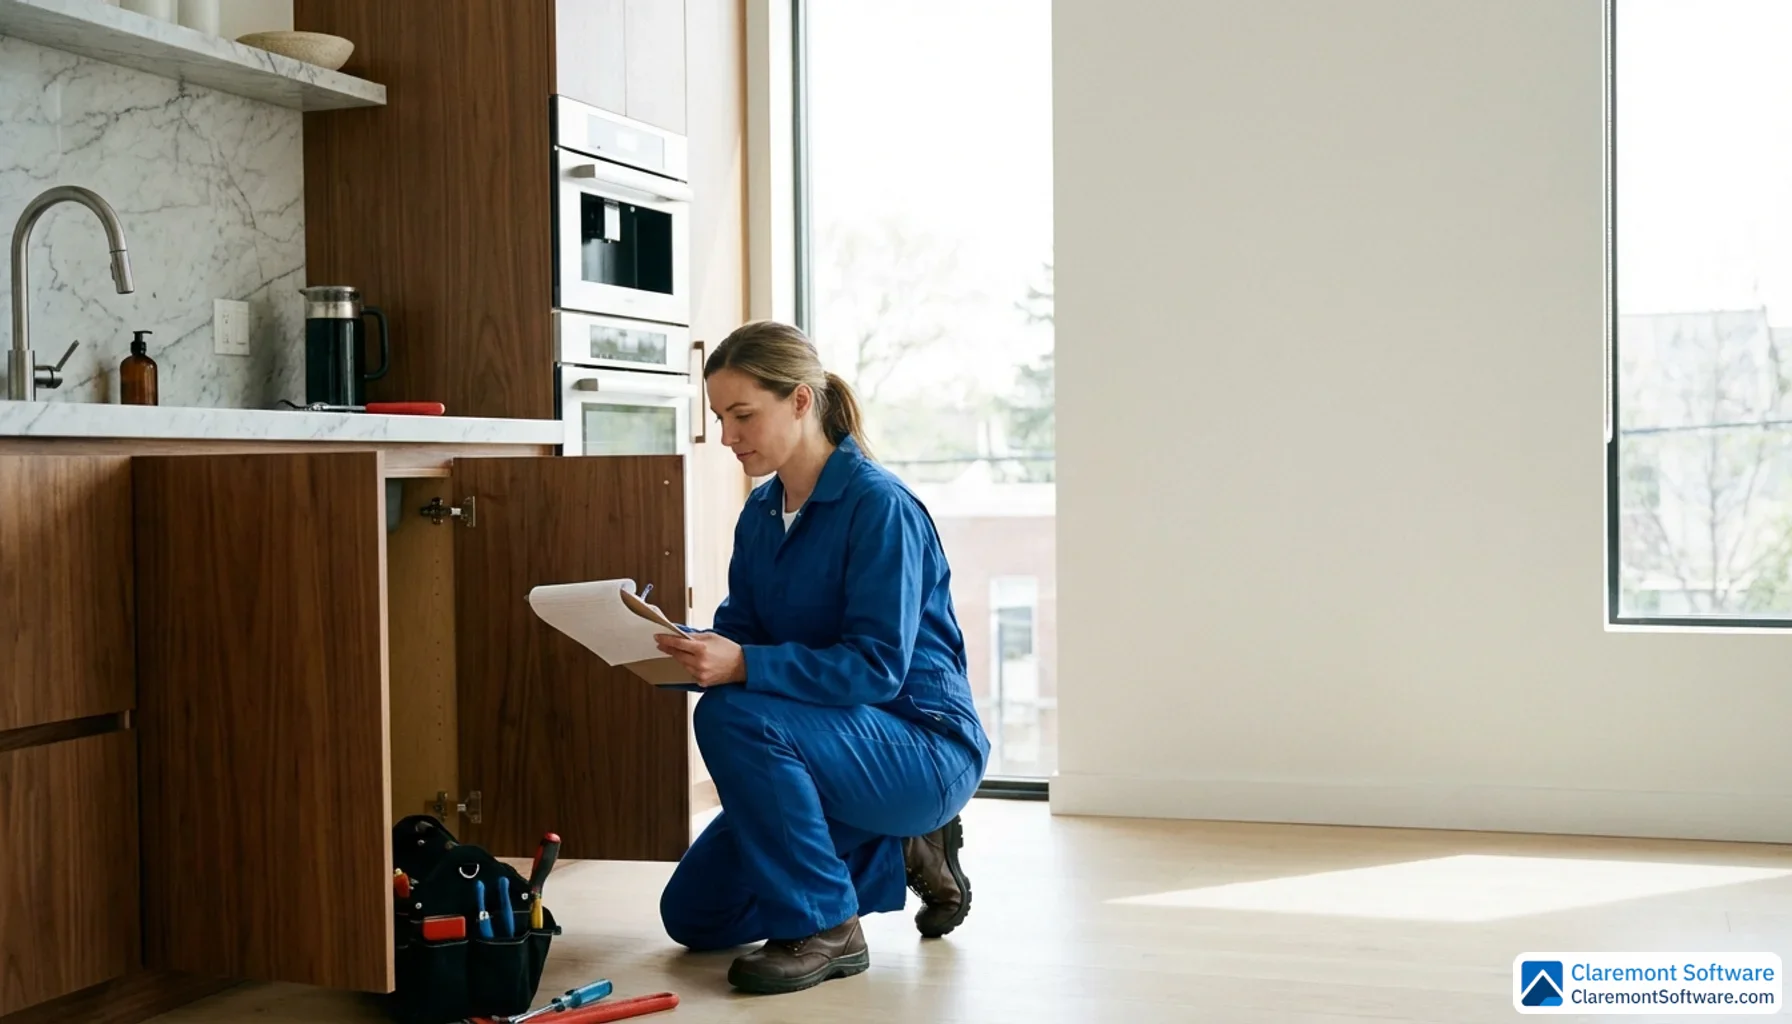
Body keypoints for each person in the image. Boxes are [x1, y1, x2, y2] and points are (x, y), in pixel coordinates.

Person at [651, 319, 991, 996]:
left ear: (802, 401)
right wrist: (678, 649)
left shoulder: (879, 507)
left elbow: (874, 668)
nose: (727, 436)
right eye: (720, 417)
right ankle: (896, 847)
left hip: (922, 747)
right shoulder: (761, 514)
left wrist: (743, 667)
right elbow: (742, 632)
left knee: (731, 716)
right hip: (832, 749)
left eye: (743, 414)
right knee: (694, 914)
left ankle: (829, 928)